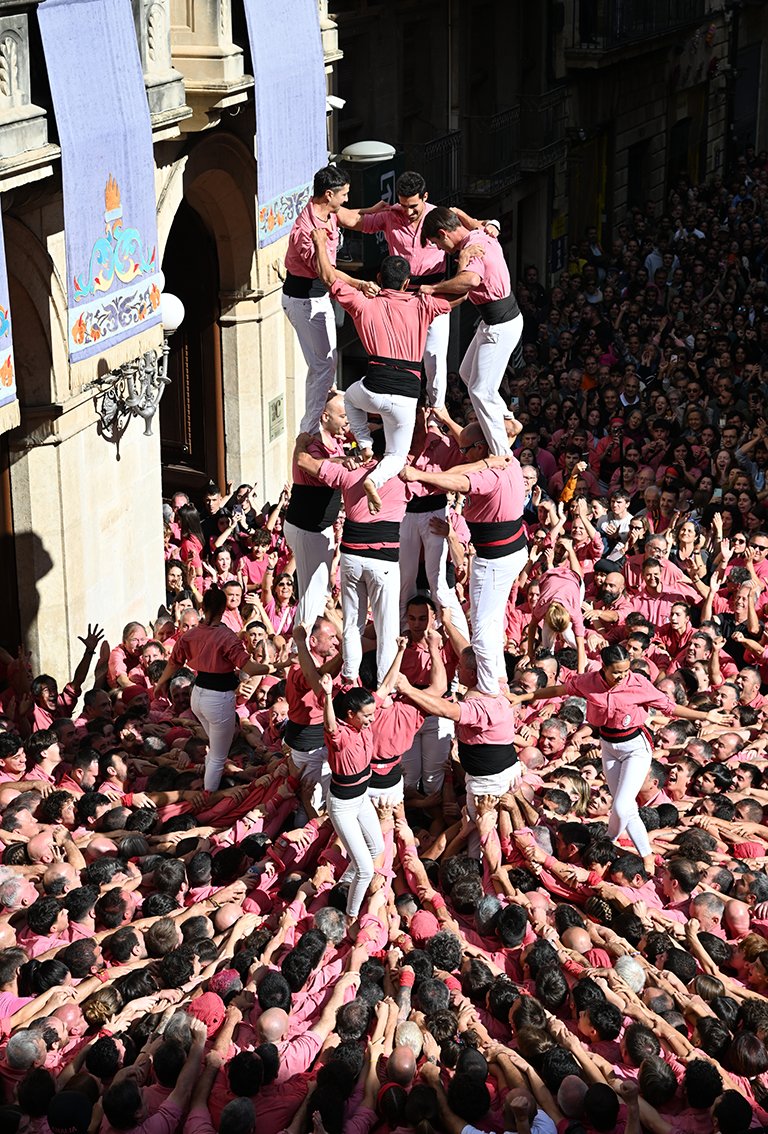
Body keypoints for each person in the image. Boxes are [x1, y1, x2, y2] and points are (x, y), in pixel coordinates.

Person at [528, 643, 728, 874]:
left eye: (626, 670)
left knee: (622, 806)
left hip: (635, 747)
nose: (623, 675)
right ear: (604, 667)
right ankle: (644, 854)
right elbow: (557, 691)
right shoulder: (588, 681)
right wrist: (523, 696)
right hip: (608, 745)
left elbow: (669, 707)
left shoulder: (637, 683)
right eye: (617, 671)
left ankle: (612, 842)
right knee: (626, 807)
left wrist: (705, 714)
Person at [312, 227, 452, 511]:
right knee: (397, 456)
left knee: (349, 398)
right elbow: (459, 294)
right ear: (407, 282)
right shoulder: (421, 305)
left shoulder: (363, 302)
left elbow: (327, 277)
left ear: (378, 279)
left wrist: (319, 242)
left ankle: (364, 444)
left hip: (373, 387)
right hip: (407, 395)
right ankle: (374, 480)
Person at [401, 420, 527, 695]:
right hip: (509, 551)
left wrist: (420, 476)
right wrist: (446, 417)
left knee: (482, 627)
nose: (461, 453)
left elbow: (457, 479)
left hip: (494, 559)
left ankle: (489, 686)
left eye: (466, 449)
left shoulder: (489, 475)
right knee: (491, 622)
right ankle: (498, 680)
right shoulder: (506, 458)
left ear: (481, 447)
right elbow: (509, 430)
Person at [339, 169, 452, 407]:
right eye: (403, 205)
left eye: (413, 206)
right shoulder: (389, 215)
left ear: (425, 197)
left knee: (434, 356)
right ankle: (400, 403)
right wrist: (371, 209)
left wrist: (492, 224)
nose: (408, 212)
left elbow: (468, 231)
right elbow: (349, 220)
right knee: (397, 353)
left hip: (434, 290)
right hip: (399, 295)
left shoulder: (439, 216)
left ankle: (436, 409)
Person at [420, 205, 523, 455]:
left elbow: (470, 281)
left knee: (480, 390)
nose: (439, 249)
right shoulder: (476, 233)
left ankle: (501, 452)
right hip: (493, 322)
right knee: (467, 373)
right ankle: (505, 415)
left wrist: (433, 288)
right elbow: (486, 222)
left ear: (444, 233)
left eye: (436, 242)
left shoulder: (470, 248)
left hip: (500, 325)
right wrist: (464, 215)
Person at [153, 587, 265, 791]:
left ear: (202, 607)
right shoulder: (227, 636)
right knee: (218, 756)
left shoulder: (191, 635)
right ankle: (208, 795)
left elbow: (173, 662)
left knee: (216, 751)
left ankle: (209, 783)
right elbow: (248, 666)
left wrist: (161, 683)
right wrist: (272, 666)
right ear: (224, 608)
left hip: (198, 696)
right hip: (218, 699)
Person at [283, 392, 349, 630]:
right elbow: (324, 468)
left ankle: (317, 632)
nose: (347, 421)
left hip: (321, 528)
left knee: (322, 589)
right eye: (343, 416)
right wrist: (349, 462)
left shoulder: (335, 438)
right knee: (313, 590)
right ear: (325, 417)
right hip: (307, 528)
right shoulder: (312, 445)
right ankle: (300, 646)